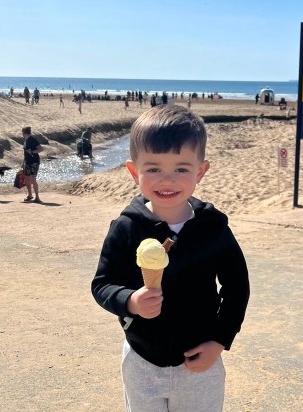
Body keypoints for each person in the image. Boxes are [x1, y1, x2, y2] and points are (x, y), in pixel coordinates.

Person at [91, 105, 250, 411]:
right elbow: (102, 284)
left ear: (200, 172)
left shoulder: (212, 227)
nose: (167, 180)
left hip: (199, 362)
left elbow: (236, 287)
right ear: (134, 171)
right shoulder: (126, 227)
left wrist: (220, 340)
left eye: (181, 169)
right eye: (153, 169)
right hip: (141, 359)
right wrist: (130, 301)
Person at [22, 126, 42, 203]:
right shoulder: (25, 140)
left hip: (34, 162)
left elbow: (41, 149)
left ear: (24, 133)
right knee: (27, 179)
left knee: (33, 179)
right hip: (27, 162)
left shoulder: (33, 139)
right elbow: (25, 152)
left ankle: (37, 197)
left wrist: (33, 152)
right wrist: (23, 162)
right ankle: (30, 195)